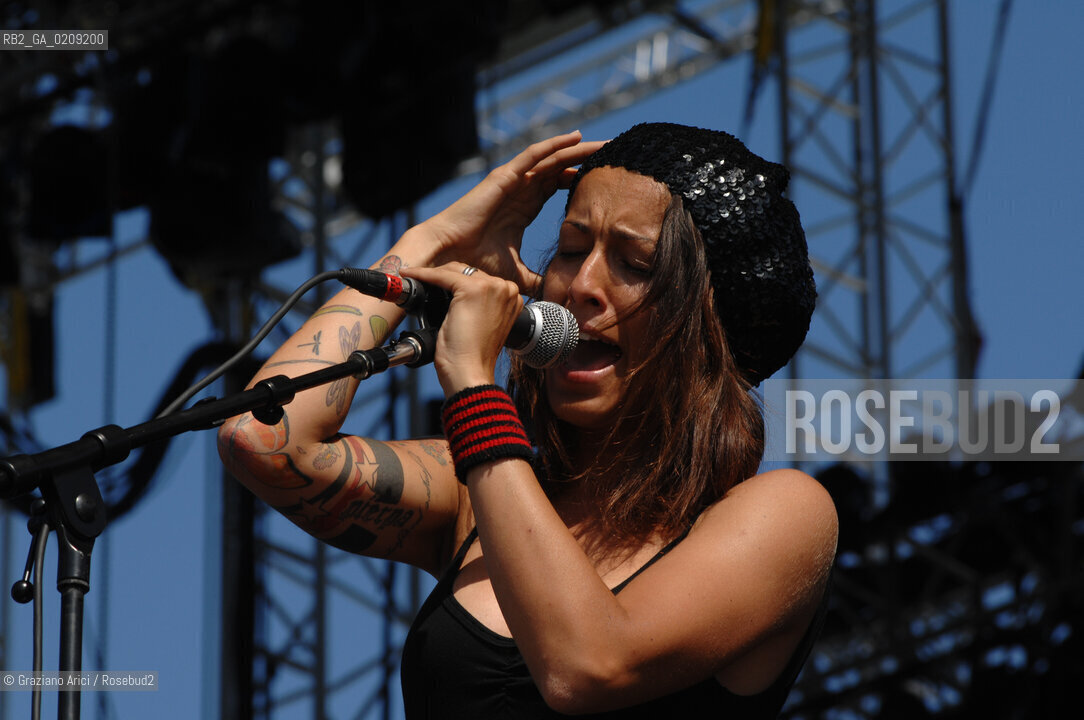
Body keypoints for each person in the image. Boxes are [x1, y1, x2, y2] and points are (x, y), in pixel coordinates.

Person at [218, 122, 838, 718]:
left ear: (710, 322)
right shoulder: (476, 497)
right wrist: (421, 248)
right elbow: (263, 440)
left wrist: (470, 383)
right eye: (570, 250)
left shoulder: (785, 514)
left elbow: (586, 666)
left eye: (636, 264)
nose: (581, 285)